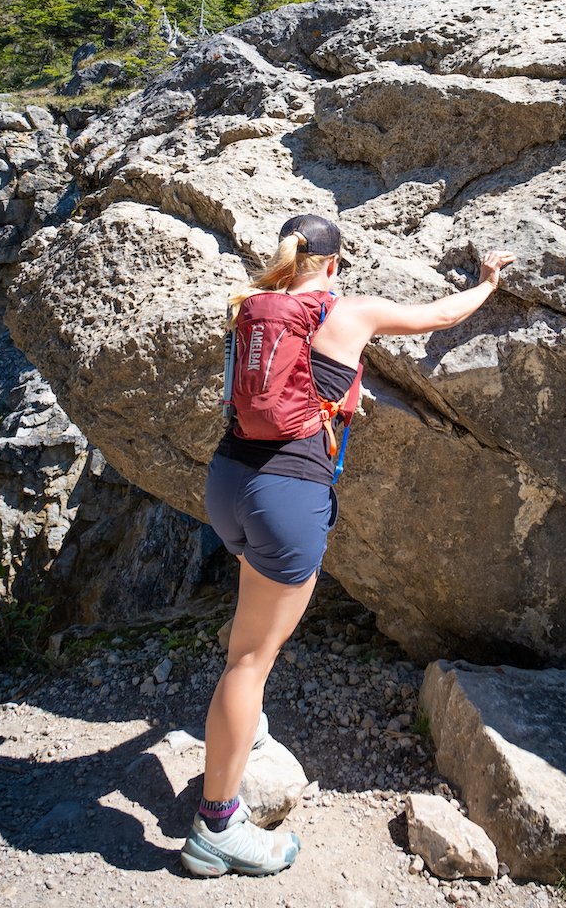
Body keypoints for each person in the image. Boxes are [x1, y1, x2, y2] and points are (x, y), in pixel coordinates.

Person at [180, 213, 513, 878]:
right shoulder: (349, 312)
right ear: (333, 263)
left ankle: (239, 734)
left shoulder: (254, 306)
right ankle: (216, 825)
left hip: (228, 482)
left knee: (249, 637)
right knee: (250, 659)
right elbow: (440, 317)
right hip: (287, 497)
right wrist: (487, 284)